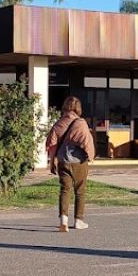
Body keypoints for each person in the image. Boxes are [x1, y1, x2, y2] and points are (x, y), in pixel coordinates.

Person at [46, 96, 95, 233]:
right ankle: (79, 220)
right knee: (80, 191)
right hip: (78, 161)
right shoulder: (81, 123)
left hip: (63, 160)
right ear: (78, 108)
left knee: (64, 190)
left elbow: (52, 144)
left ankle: (63, 221)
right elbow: (86, 141)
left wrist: (51, 162)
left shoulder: (59, 123)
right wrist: (90, 156)